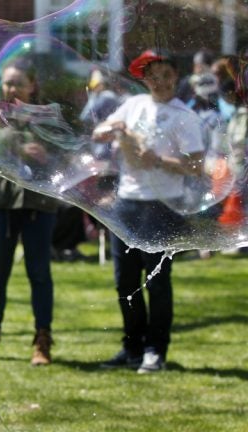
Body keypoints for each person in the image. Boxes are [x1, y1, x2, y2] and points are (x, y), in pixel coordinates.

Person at [93, 50, 204, 373]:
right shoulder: (134, 105)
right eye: (154, 75)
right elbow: (101, 130)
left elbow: (196, 166)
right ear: (146, 78)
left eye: (167, 75)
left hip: (162, 206)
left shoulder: (184, 116)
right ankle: (132, 348)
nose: (160, 82)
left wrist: (158, 160)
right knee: (124, 281)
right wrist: (109, 129)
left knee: (157, 283)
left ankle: (156, 351)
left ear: (176, 77)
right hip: (126, 203)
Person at [0, 59, 60, 366]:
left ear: (32, 86)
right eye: (8, 83)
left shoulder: (47, 116)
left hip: (37, 205)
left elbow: (63, 155)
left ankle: (42, 341)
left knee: (39, 274)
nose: (12, 88)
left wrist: (46, 155)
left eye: (19, 82)